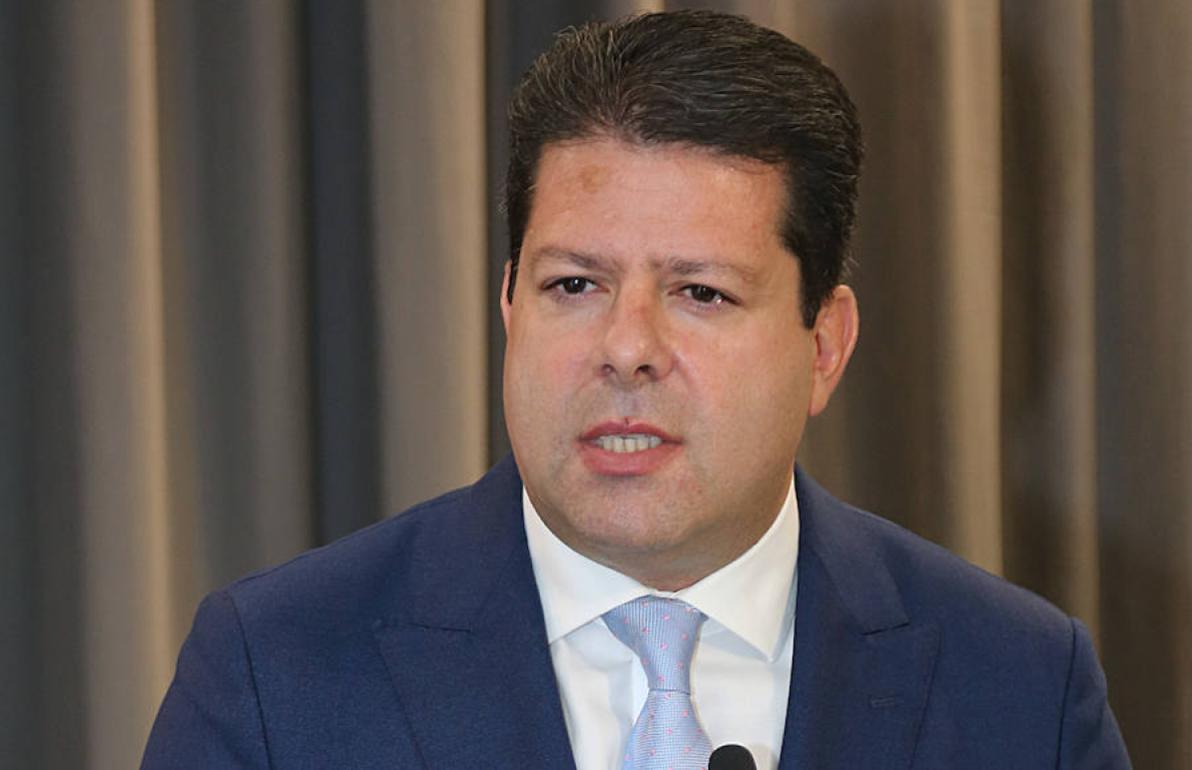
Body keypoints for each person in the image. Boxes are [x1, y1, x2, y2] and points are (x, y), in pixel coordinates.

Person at [142, 10, 1131, 769]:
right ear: (509, 306)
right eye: (575, 284)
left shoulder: (1020, 687)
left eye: (701, 292)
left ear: (825, 345)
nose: (626, 349)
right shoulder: (276, 673)